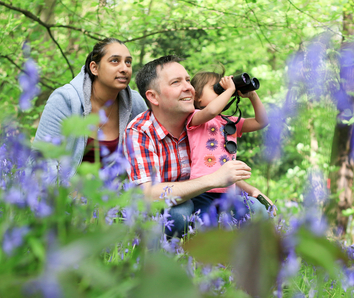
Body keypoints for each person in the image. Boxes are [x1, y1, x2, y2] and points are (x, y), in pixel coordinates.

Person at [123, 55, 272, 238]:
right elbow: (147, 194)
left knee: (256, 209)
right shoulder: (141, 131)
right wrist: (213, 179)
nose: (188, 87)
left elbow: (220, 167)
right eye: (176, 82)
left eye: (187, 80)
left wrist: (250, 189)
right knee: (180, 215)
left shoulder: (215, 124)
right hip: (180, 203)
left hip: (219, 194)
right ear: (153, 96)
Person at [32, 38, 147, 178]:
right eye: (115, 61)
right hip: (65, 193)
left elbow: (143, 159)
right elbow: (43, 158)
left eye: (128, 62)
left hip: (114, 195)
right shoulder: (65, 100)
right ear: (94, 68)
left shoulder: (135, 103)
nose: (124, 68)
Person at [187, 70, 273, 216]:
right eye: (216, 88)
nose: (223, 92)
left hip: (229, 191)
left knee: (234, 225)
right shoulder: (195, 117)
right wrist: (230, 89)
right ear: (197, 97)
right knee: (206, 227)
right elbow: (212, 111)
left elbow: (261, 121)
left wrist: (252, 95)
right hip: (202, 190)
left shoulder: (230, 122)